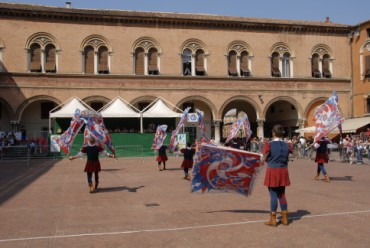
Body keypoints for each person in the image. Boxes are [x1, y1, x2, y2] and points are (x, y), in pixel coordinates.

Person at [262, 124, 292, 227]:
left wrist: (266, 159)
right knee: (282, 194)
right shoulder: (287, 144)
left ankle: (273, 219)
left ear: (273, 133)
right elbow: (293, 155)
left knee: (273, 195)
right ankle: (285, 218)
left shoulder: (268, 144)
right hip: (283, 170)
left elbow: (263, 157)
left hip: (272, 170)